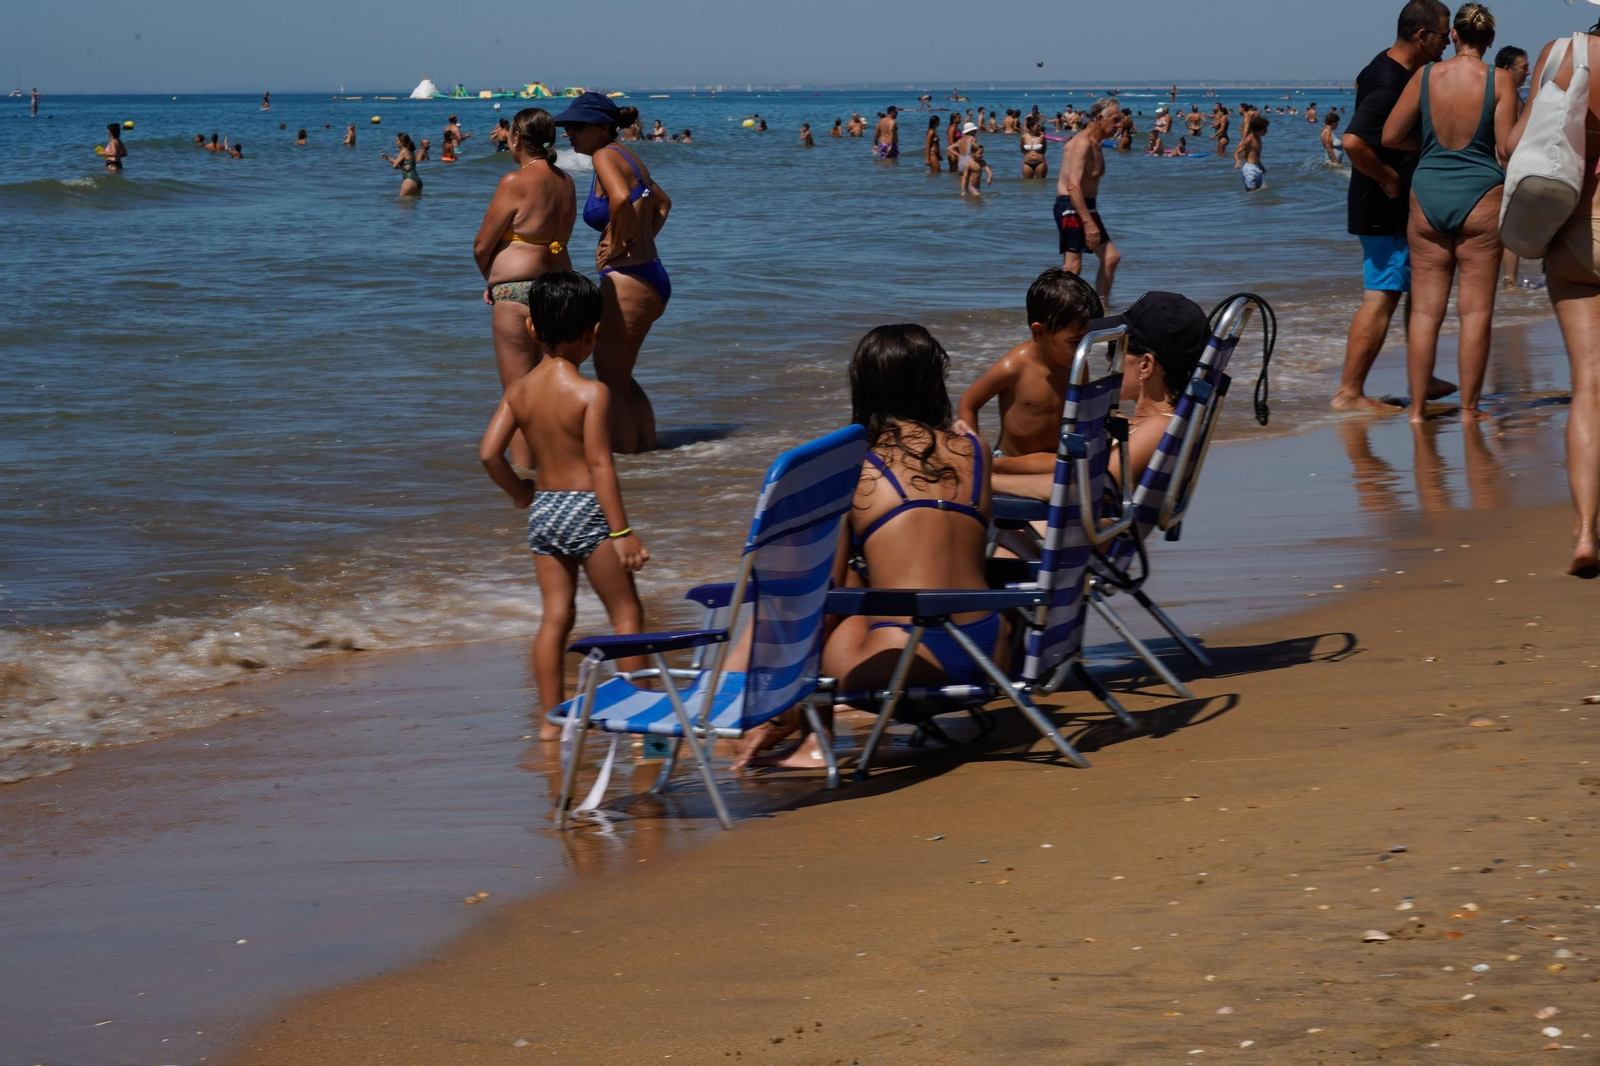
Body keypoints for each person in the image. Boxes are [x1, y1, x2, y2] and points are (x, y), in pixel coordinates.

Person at [733, 324, 1000, 770]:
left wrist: (784, 695)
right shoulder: (975, 448)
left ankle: (809, 741)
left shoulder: (854, 467)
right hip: (990, 652)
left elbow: (827, 598)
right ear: (935, 382)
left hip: (910, 661)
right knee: (859, 581)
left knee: (823, 594)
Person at [478, 271, 648, 739]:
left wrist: (519, 492)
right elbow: (599, 467)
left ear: (532, 329)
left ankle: (551, 723)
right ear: (593, 333)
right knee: (627, 614)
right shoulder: (592, 393)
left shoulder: (519, 392)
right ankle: (637, 719)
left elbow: (489, 454)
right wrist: (620, 532)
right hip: (589, 512)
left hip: (546, 511)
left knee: (555, 617)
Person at [1382, 2, 1514, 424]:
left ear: (1453, 35)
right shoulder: (1501, 79)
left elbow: (1389, 135)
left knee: (1424, 311)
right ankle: (1471, 409)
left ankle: (1418, 411)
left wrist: (1426, 150)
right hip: (1482, 197)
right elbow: (1507, 149)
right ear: (1490, 40)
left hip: (1427, 196)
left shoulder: (1425, 76)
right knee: (1475, 312)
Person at [1510, 12, 1600, 574]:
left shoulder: (1561, 52)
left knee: (1588, 387)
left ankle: (1586, 532)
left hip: (1571, 231)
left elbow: (1514, 145)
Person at [1332, 0, 1453, 413]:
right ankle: (1349, 392)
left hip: (1393, 205)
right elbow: (1352, 141)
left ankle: (1425, 376)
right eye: (1442, 36)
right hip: (1382, 205)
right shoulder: (1390, 79)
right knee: (1381, 296)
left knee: (1415, 290)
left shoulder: (1388, 68)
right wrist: (1388, 177)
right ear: (1422, 35)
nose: (1446, 45)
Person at [554, 92, 672, 454]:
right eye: (566, 127)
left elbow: (620, 199)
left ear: (603, 128)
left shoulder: (605, 155)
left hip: (629, 279)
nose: (568, 134)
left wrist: (618, 246)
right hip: (649, 274)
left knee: (610, 378)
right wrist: (640, 240)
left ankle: (628, 459)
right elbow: (663, 204)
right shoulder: (626, 155)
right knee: (620, 377)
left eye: (576, 127)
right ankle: (647, 452)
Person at [473, 107, 577, 470]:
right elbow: (559, 240)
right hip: (559, 292)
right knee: (548, 396)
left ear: (516, 138)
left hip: (517, 293)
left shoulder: (514, 182)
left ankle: (527, 485)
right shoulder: (566, 181)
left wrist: (491, 279)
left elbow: (481, 246)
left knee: (518, 398)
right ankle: (558, 472)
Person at [956, 269, 1102, 500]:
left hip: (1054, 459)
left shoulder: (1076, 365)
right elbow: (969, 403)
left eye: (1088, 340)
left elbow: (1082, 413)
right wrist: (973, 450)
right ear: (1039, 332)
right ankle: (990, 467)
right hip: (1012, 462)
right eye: (1076, 341)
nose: (1086, 349)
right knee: (1075, 467)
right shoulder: (1014, 367)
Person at [1055, 99, 1122, 301]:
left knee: (1111, 258)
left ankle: (1101, 309)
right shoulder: (1082, 144)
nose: (1119, 124)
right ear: (1100, 119)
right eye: (1115, 120)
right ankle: (1058, 312)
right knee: (1073, 266)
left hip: (1086, 206)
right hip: (1071, 205)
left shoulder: (1097, 144)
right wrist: (1088, 223)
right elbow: (1072, 185)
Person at [1495, 44, 1530, 287]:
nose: (1528, 72)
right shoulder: (1510, 99)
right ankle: (1509, 282)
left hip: (1509, 171)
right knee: (1510, 230)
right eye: (1524, 68)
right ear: (1507, 69)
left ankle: (1509, 282)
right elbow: (1503, 143)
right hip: (1506, 172)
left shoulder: (1511, 97)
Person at [1239, 114, 1269, 191]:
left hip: (1257, 168)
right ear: (1257, 130)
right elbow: (1236, 152)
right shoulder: (1249, 139)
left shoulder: (1259, 139)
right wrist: (1237, 162)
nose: (1266, 131)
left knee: (1265, 189)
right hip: (1249, 169)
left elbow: (1255, 156)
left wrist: (1261, 166)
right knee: (1251, 192)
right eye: (1264, 129)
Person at [1021, 112, 1048, 179]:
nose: (1039, 127)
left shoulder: (1041, 137)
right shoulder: (1024, 137)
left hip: (1040, 163)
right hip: (1027, 163)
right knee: (1027, 185)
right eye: (1037, 126)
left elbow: (1044, 150)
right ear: (1031, 127)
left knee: (1041, 183)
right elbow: (1022, 149)